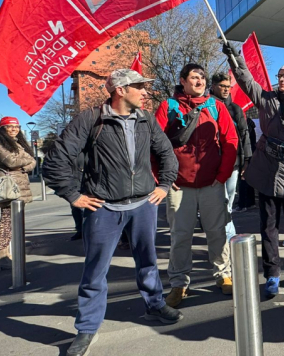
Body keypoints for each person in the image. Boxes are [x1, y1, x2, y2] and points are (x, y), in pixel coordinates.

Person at [43, 69, 183, 356]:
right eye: (140, 87)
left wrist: (165, 185)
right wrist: (73, 195)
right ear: (120, 90)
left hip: (144, 205)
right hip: (103, 208)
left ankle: (154, 305)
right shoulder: (91, 119)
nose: (145, 92)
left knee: (148, 261)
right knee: (95, 271)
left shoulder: (145, 119)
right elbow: (56, 161)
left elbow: (167, 154)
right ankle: (87, 329)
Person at [223, 42, 284, 298]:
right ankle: (272, 274)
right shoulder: (265, 99)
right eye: (280, 76)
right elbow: (245, 79)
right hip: (268, 171)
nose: (281, 80)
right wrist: (234, 57)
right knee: (268, 226)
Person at [157, 64, 238, 306]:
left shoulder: (216, 106)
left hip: (212, 184)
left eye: (202, 77)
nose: (200, 80)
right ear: (182, 81)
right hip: (178, 187)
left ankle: (223, 275)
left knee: (217, 232)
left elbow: (230, 139)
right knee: (180, 236)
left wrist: (222, 176)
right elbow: (154, 144)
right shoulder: (168, 106)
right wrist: (163, 179)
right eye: (194, 77)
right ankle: (179, 283)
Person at [0, 117, 37, 271]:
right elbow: (11, 162)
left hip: (20, 184)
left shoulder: (18, 142)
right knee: (6, 219)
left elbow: (32, 162)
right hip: (7, 185)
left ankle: (8, 253)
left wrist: (24, 164)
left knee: (14, 220)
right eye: (10, 127)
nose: (14, 129)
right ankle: (1, 256)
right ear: (2, 128)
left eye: (16, 127)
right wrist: (26, 161)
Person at [209, 72, 252, 241]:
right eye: (222, 86)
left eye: (228, 86)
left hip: (233, 162)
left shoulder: (235, 109)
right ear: (213, 86)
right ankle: (227, 238)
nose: (226, 89)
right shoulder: (206, 106)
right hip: (212, 163)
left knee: (229, 201)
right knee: (221, 202)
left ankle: (225, 236)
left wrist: (247, 160)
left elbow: (244, 135)